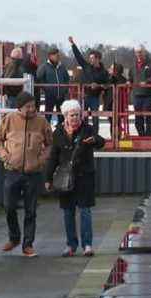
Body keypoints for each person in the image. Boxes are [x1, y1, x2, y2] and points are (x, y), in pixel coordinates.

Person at [0, 92, 53, 257]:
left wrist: (41, 160)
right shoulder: (9, 120)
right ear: (20, 107)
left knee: (30, 210)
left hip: (33, 173)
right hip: (12, 171)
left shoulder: (41, 122)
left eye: (33, 106)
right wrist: (5, 155)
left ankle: (28, 244)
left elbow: (49, 144)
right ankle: (14, 238)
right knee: (9, 206)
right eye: (28, 106)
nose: (31, 109)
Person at [44, 99, 105, 257]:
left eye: (78, 115)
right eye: (72, 115)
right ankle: (71, 245)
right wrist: (48, 178)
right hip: (65, 179)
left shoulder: (87, 129)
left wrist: (95, 140)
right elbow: (53, 158)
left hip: (84, 176)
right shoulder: (57, 133)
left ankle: (87, 245)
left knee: (85, 211)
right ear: (65, 116)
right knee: (68, 212)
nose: (75, 118)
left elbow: (101, 142)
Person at [68, 36, 109, 135]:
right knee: (83, 118)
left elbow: (107, 84)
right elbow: (78, 56)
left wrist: (98, 86)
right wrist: (73, 44)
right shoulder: (86, 67)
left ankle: (95, 136)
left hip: (95, 98)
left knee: (95, 118)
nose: (90, 60)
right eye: (90, 58)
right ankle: (84, 136)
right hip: (85, 96)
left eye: (92, 58)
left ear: (98, 59)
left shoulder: (104, 72)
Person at [36, 47, 70, 126]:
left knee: (61, 115)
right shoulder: (44, 67)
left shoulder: (62, 67)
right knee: (48, 115)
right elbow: (39, 79)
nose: (58, 57)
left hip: (61, 95)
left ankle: (61, 132)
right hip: (50, 95)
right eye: (56, 55)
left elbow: (67, 79)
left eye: (58, 55)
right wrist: (46, 89)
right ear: (50, 56)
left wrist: (64, 89)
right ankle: (46, 130)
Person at [129, 45, 151, 136]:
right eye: (137, 52)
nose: (138, 54)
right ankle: (141, 135)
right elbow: (130, 76)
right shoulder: (133, 64)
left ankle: (149, 137)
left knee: (148, 116)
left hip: (148, 94)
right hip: (136, 94)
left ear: (144, 52)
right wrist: (129, 82)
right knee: (138, 117)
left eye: (140, 52)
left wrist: (147, 82)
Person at [104, 63, 128, 134]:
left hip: (118, 104)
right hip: (109, 103)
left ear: (116, 70)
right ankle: (114, 138)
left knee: (116, 122)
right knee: (112, 122)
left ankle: (117, 137)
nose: (109, 70)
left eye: (111, 68)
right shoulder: (108, 78)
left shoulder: (122, 79)